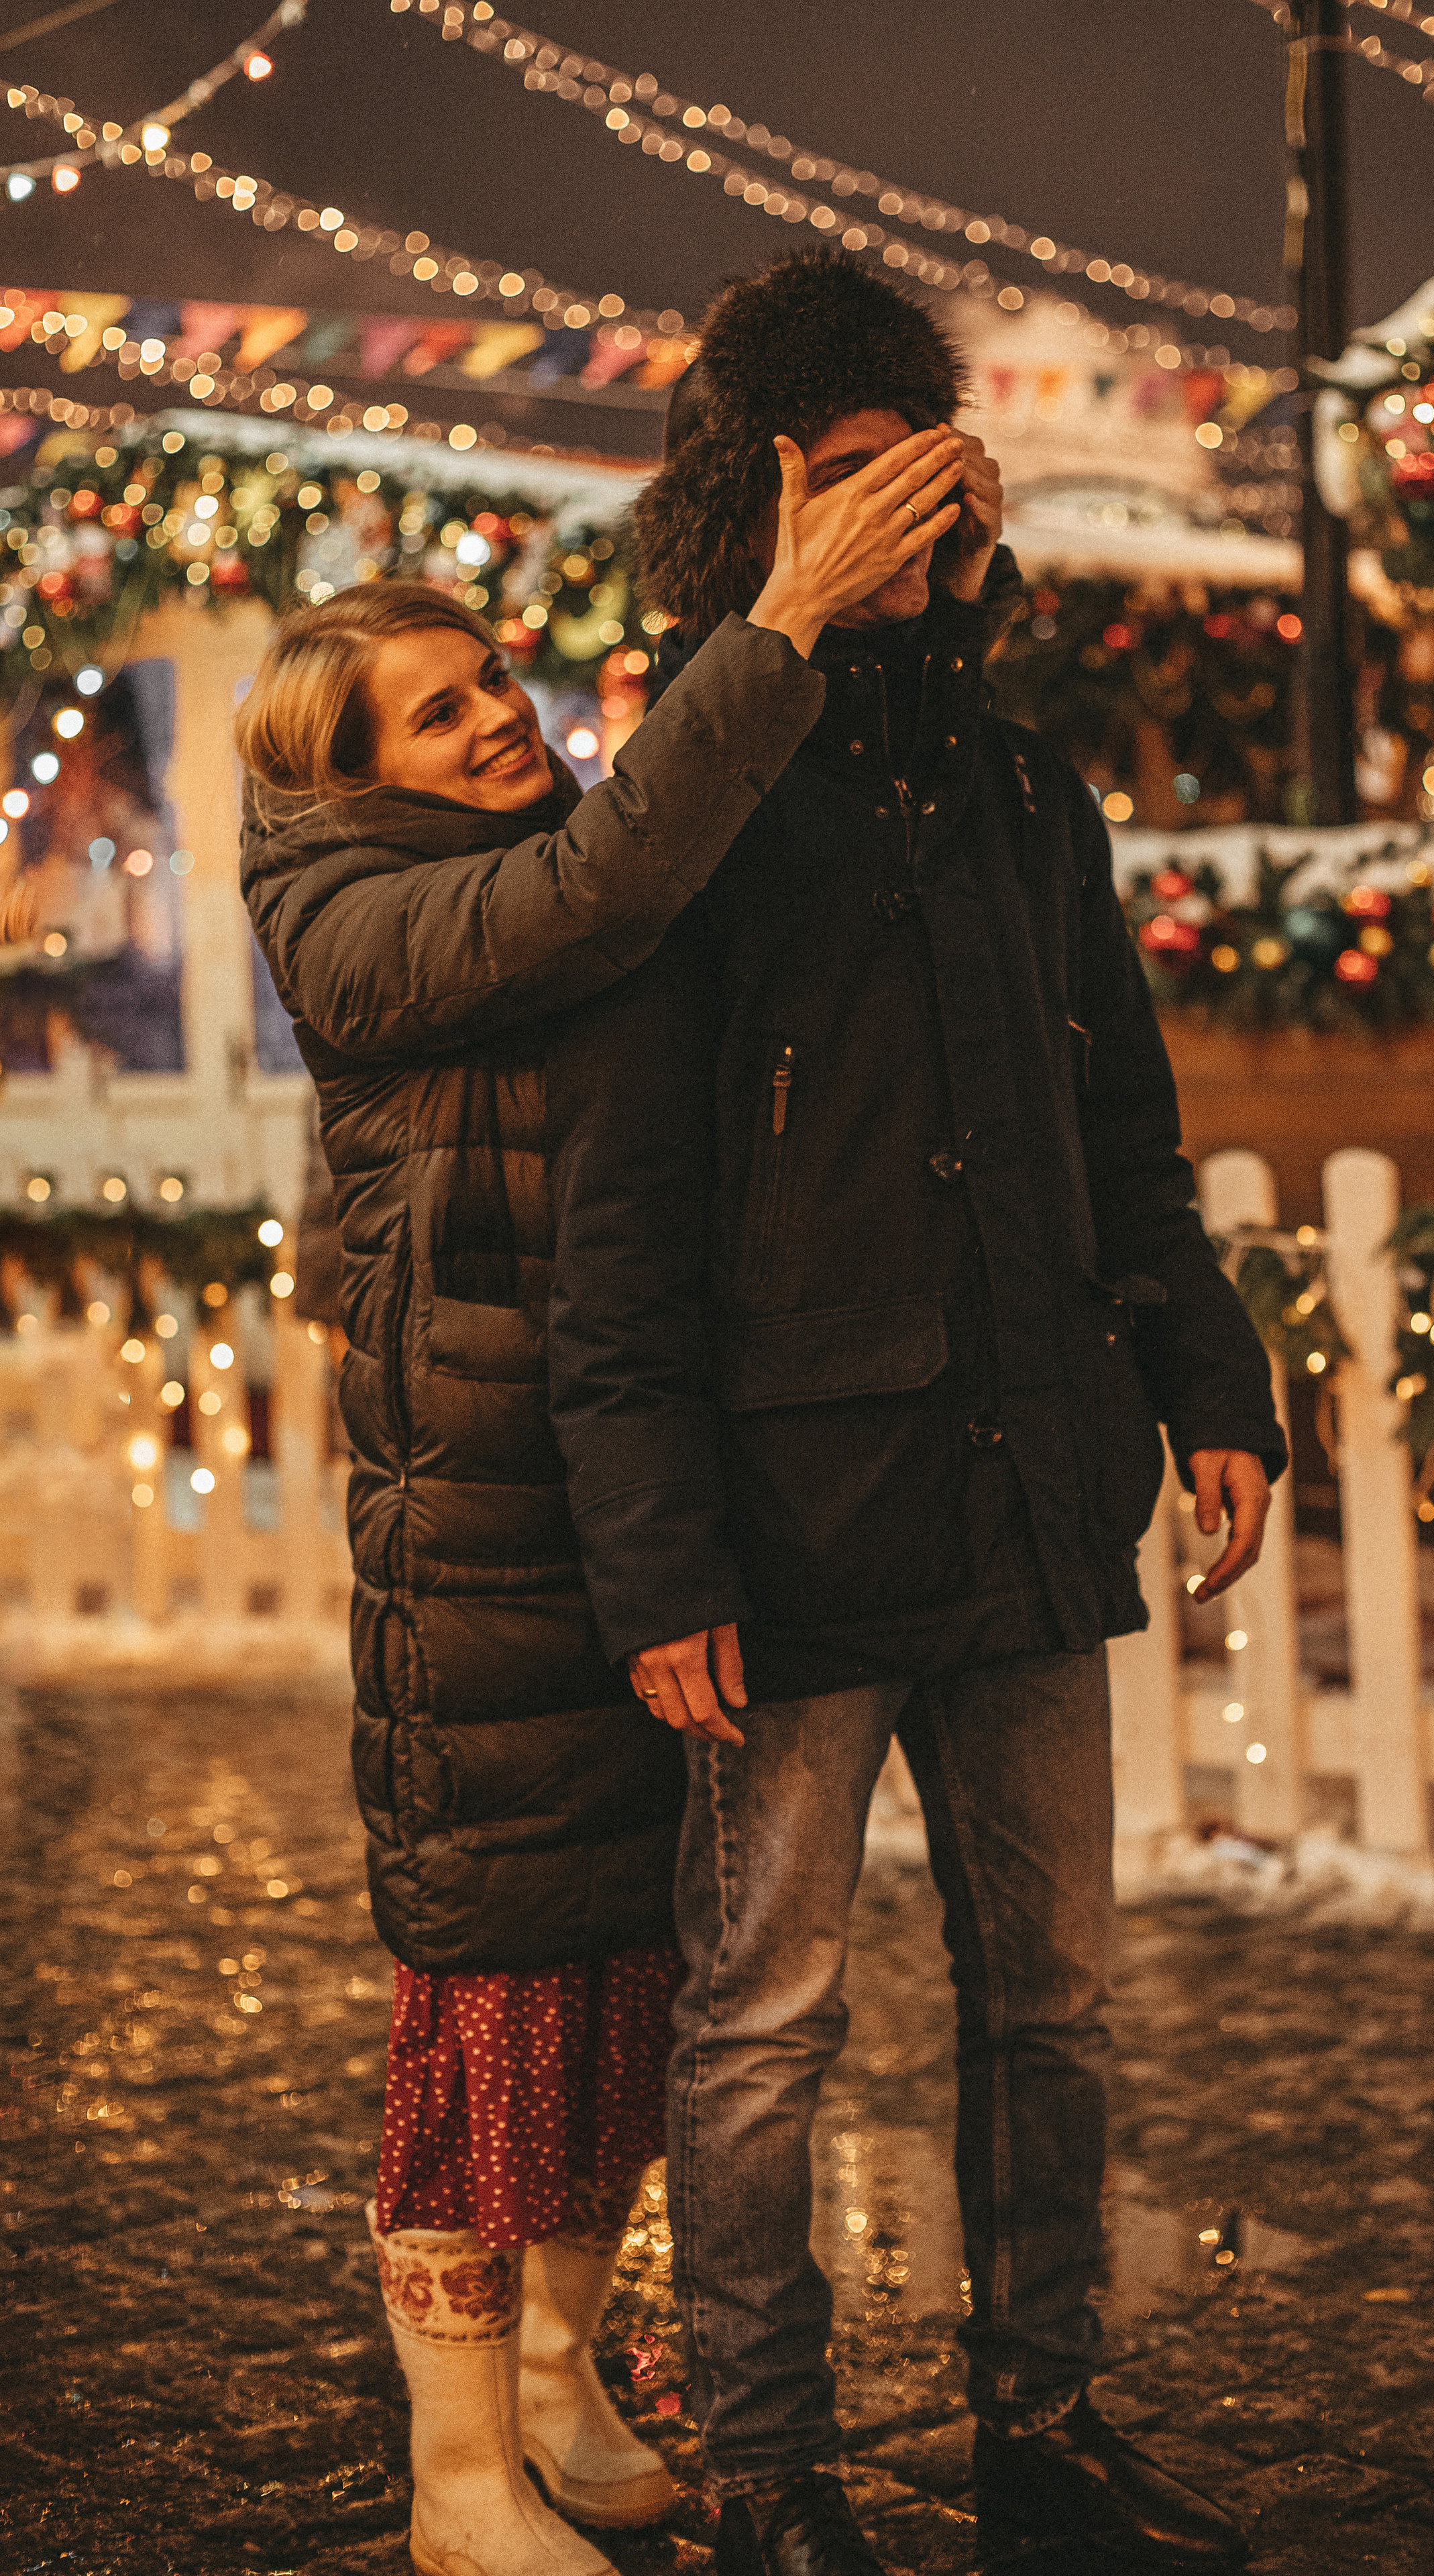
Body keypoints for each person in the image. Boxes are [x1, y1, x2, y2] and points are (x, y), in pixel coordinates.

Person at [547, 250, 1288, 2576]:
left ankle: (1041, 2441)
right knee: (764, 2019)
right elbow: (624, 1220)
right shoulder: (693, 789)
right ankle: (773, 2474)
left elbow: (1123, 1125)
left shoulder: (1014, 784)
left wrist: (1209, 1384)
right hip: (788, 1521)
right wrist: (660, 1554)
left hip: (1022, 1487)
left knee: (1051, 2004)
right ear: (765, 505)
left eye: (935, 490)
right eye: (855, 491)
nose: (910, 536)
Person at [235, 423, 970, 2576]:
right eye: (442, 711)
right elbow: (610, 881)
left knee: (634, 1983)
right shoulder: (366, 908)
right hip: (477, 1535)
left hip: (617, 1502)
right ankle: (455, 2470)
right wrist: (781, 620)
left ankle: (558, 2379)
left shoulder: (538, 862)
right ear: (352, 769)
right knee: (491, 2001)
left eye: (493, 682)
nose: (502, 721)